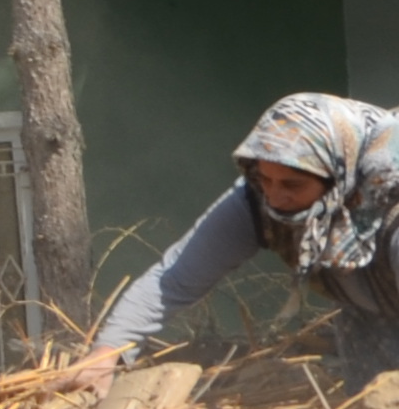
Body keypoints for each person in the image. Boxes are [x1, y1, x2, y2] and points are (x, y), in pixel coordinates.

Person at [65, 93, 399, 388]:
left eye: (292, 184)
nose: (274, 196)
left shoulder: (391, 210)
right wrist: (106, 354)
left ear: (339, 176)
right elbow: (173, 280)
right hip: (370, 319)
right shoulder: (256, 201)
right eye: (265, 178)